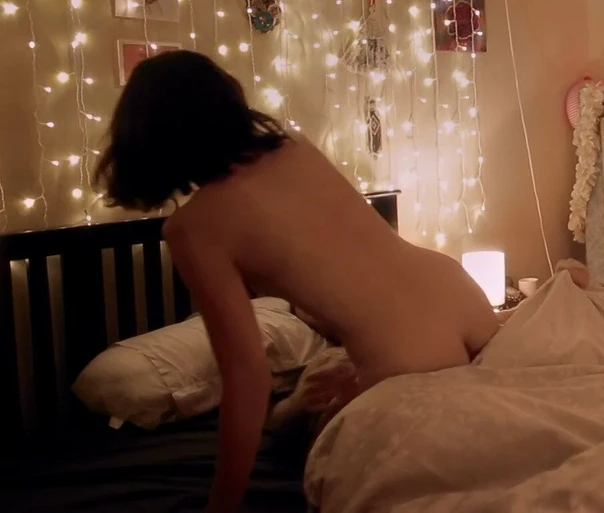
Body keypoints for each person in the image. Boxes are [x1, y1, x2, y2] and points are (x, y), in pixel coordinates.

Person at [93, 50, 502, 512]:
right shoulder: (295, 148)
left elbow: (247, 375)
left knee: (338, 462)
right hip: (457, 290)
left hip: (406, 346)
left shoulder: (193, 229)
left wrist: (221, 507)